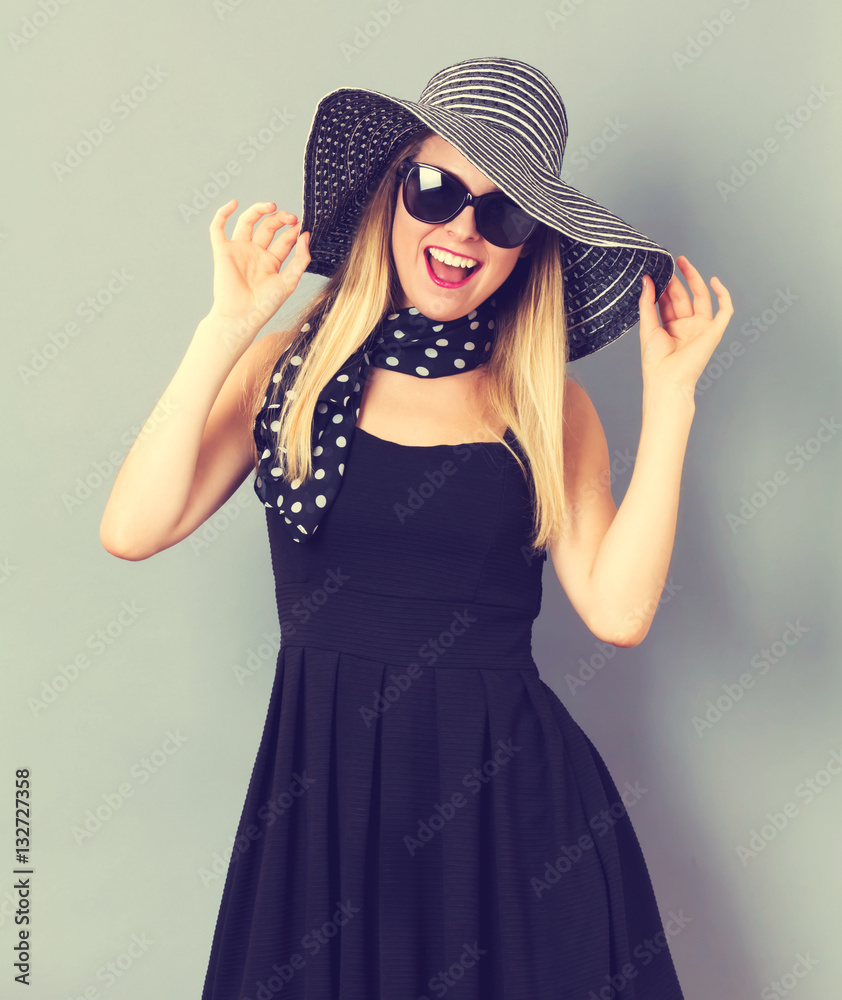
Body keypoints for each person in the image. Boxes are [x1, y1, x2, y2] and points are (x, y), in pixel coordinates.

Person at [100, 56, 732, 1000]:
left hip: (512, 820)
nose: (462, 230)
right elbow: (131, 526)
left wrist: (672, 400)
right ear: (392, 194)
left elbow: (619, 610)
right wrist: (223, 329)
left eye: (503, 212)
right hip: (326, 807)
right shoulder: (289, 372)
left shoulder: (546, 405)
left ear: (530, 247)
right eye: (437, 190)